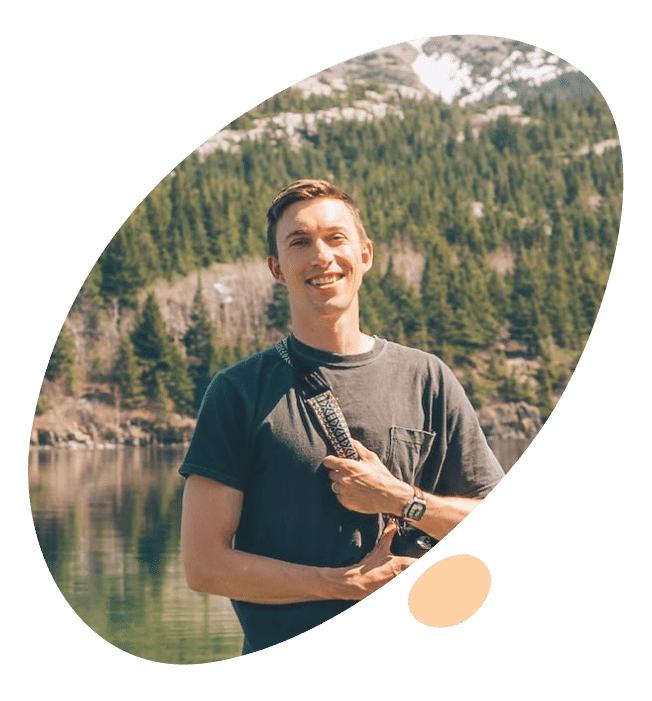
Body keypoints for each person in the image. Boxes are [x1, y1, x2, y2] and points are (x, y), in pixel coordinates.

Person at [179, 179, 504, 654]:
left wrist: (401, 498)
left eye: (336, 238)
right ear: (276, 268)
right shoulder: (238, 392)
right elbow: (204, 566)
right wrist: (342, 584)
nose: (321, 256)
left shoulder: (427, 378)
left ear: (365, 254)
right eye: (299, 242)